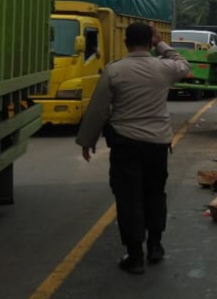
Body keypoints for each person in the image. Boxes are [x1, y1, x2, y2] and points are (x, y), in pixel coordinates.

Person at [76, 23, 190, 274]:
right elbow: (183, 63)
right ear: (150, 43)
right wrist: (161, 42)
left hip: (125, 143)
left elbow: (98, 108)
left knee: (129, 197)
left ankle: (135, 256)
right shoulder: (165, 68)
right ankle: (156, 246)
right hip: (157, 144)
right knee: (155, 193)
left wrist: (87, 141)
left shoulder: (114, 71)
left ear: (126, 42)